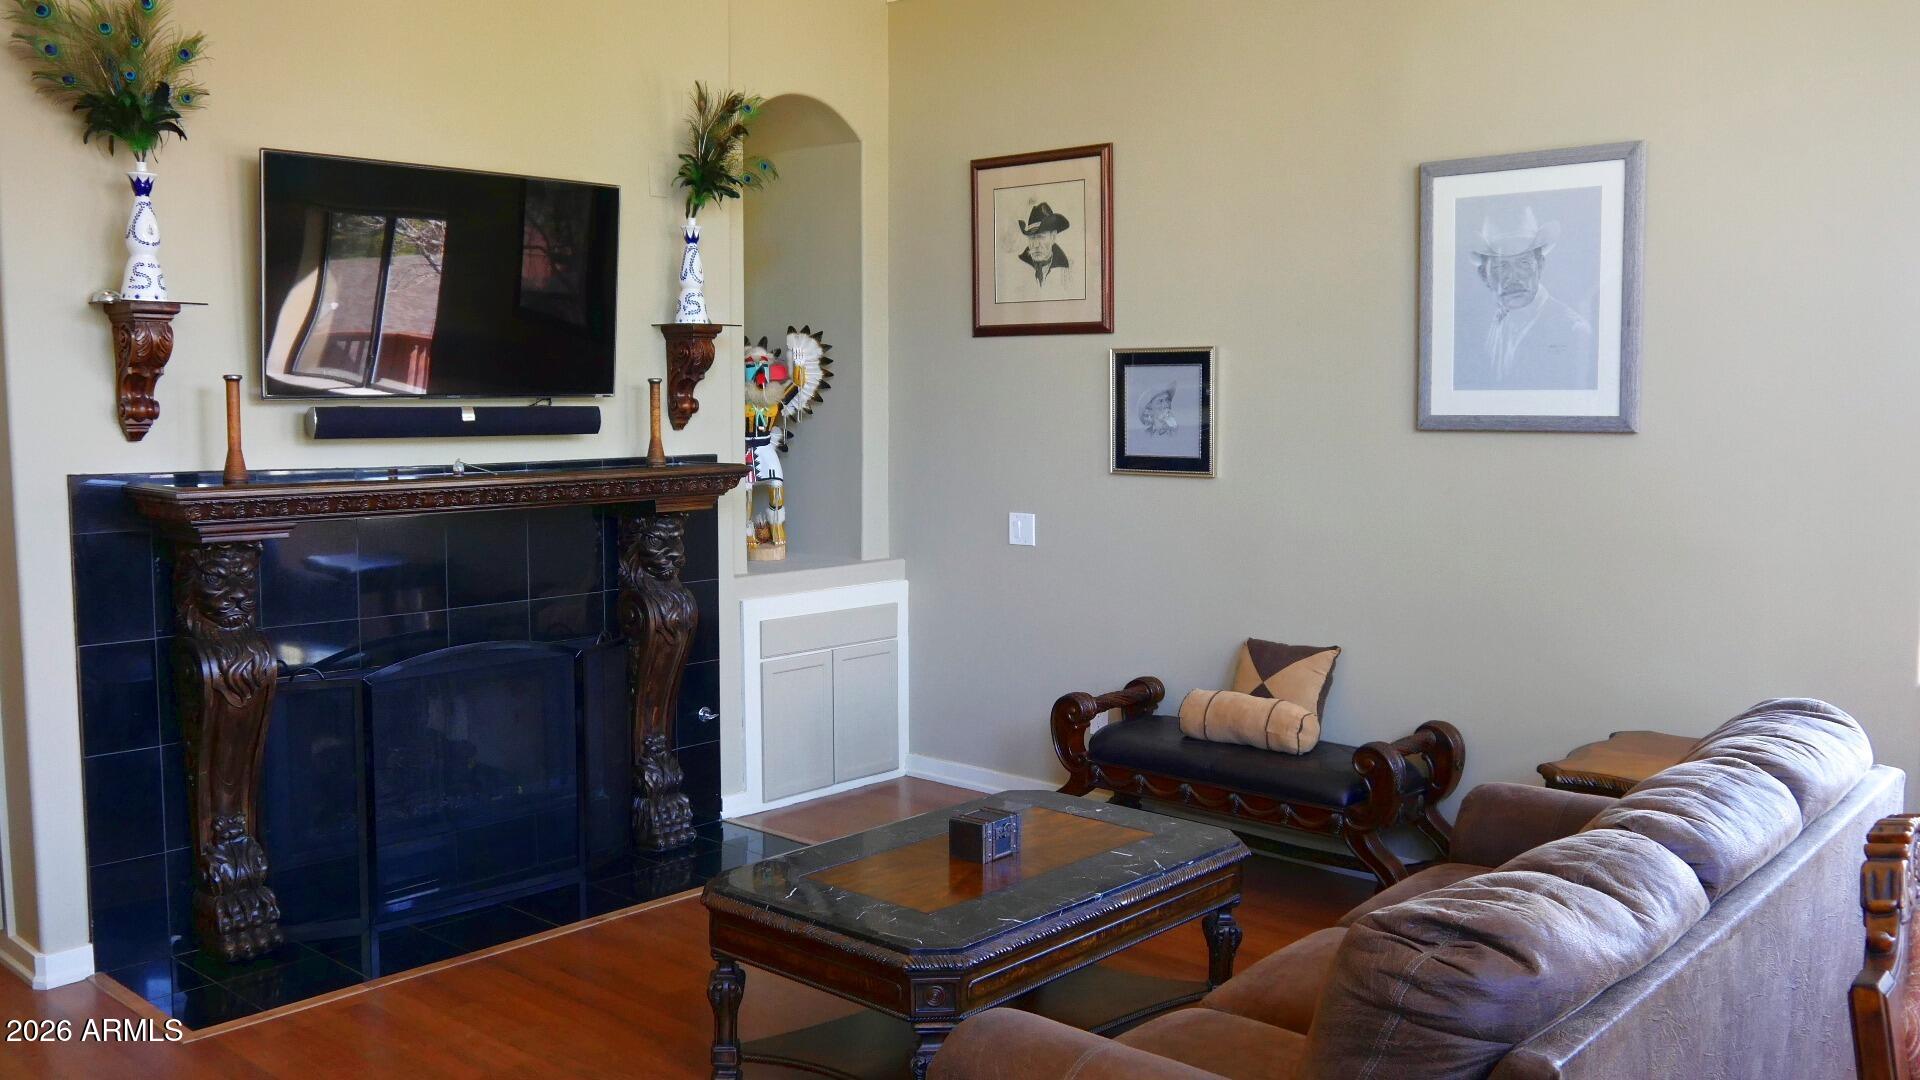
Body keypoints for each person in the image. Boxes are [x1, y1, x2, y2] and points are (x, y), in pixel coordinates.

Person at [1461, 206, 1594, 390]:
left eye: (1523, 263)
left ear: (1540, 266)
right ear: (1484, 276)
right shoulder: (1488, 326)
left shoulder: (1572, 331)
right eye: (1501, 266)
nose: (1514, 277)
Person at [998, 201, 1081, 302]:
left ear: (1053, 237)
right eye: (1032, 238)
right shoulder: (1017, 268)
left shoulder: (1067, 272)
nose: (1036, 244)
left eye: (1041, 237)